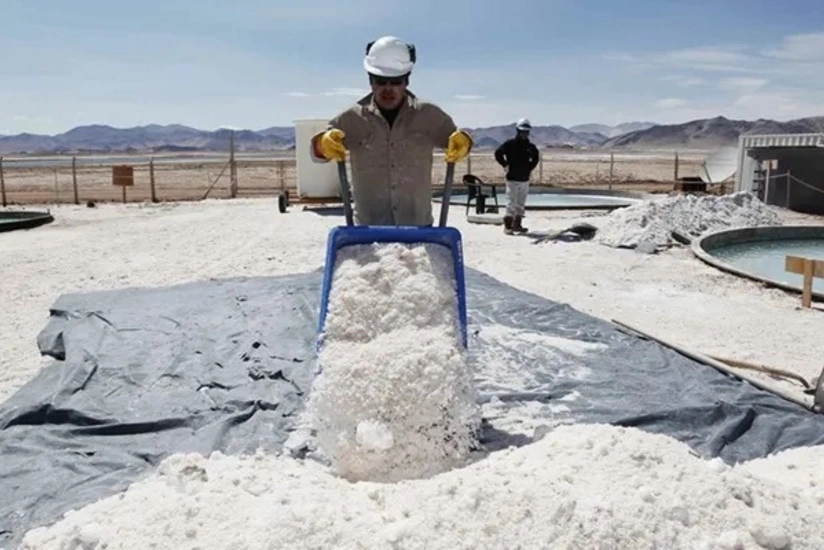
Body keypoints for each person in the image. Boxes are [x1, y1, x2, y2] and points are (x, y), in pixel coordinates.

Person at [310, 36, 473, 226]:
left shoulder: (430, 115)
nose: (388, 89)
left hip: (419, 229)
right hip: (368, 232)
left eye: (395, 81)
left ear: (406, 81)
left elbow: (459, 141)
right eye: (381, 81)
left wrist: (465, 142)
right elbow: (316, 154)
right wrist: (322, 144)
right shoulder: (351, 118)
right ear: (370, 81)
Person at [494, 118, 540, 234]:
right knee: (511, 203)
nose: (524, 134)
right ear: (517, 131)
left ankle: (517, 224)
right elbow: (498, 153)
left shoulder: (530, 147)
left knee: (520, 204)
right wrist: (505, 164)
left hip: (524, 179)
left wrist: (529, 168)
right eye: (522, 131)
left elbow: (536, 158)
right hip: (512, 178)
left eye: (526, 132)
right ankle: (508, 226)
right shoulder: (510, 144)